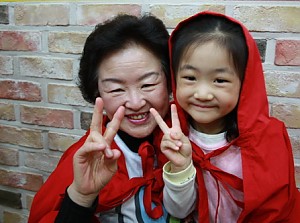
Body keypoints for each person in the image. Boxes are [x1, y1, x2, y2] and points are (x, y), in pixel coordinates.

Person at [150, 11, 300, 222]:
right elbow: (179, 211)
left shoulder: (268, 138)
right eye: (190, 77)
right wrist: (181, 167)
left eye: (219, 80)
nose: (202, 94)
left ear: (244, 82)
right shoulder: (172, 134)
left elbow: (277, 211)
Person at [28, 14, 173, 223]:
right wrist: (81, 196)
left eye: (148, 84)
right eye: (116, 89)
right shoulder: (86, 160)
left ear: (169, 82)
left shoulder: (192, 141)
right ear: (98, 93)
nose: (135, 102)